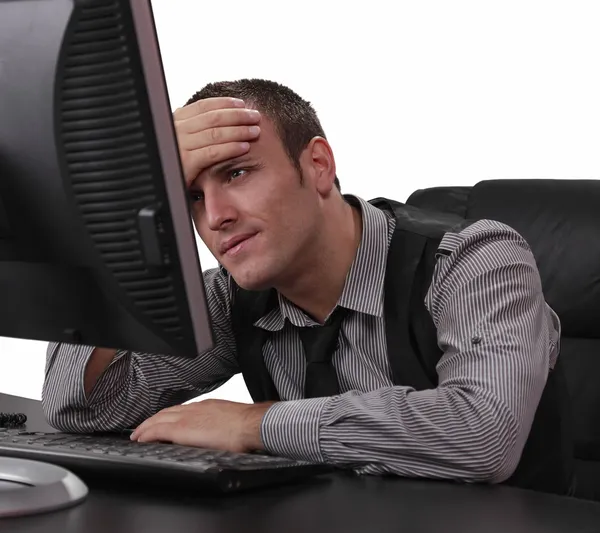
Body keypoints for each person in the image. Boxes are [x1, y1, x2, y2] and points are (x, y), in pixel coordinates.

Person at [42, 79, 562, 488]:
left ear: (317, 165)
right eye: (191, 198)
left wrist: (254, 425)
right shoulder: (233, 298)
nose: (216, 216)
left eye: (237, 173)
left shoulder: (475, 260)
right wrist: (122, 209)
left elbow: (484, 433)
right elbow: (77, 405)